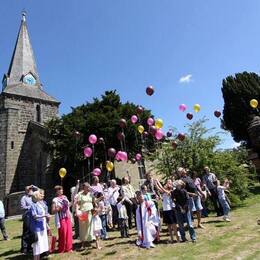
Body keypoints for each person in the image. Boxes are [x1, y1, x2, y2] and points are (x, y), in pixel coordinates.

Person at [155, 179, 179, 243]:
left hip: (170, 210)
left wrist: (158, 182)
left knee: (174, 225)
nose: (167, 183)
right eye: (167, 182)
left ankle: (177, 238)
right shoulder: (164, 191)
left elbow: (162, 189)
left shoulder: (171, 191)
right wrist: (155, 183)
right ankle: (172, 239)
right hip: (165, 210)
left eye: (169, 182)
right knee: (168, 225)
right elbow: (159, 188)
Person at [52, 186, 73, 253]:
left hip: (67, 217)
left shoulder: (65, 197)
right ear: (57, 191)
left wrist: (72, 202)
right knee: (63, 233)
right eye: (60, 190)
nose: (62, 191)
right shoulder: (55, 200)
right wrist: (58, 208)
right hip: (61, 218)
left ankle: (69, 248)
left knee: (69, 233)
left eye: (62, 189)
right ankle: (61, 248)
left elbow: (68, 205)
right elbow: (53, 211)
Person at [30, 190, 49, 260]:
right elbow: (34, 216)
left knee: (41, 245)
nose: (41, 195)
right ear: (36, 196)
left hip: (42, 227)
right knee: (37, 246)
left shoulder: (39, 204)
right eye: (39, 194)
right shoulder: (33, 205)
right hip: (37, 228)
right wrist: (44, 215)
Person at [76, 182, 95, 249]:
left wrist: (100, 198)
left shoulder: (90, 194)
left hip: (90, 212)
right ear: (84, 188)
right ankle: (83, 242)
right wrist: (77, 211)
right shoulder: (80, 194)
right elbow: (77, 204)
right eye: (87, 187)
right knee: (83, 227)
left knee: (89, 227)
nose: (89, 188)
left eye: (89, 187)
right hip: (83, 212)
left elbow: (94, 202)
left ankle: (89, 241)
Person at [20, 185, 36, 254]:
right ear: (26, 191)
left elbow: (40, 190)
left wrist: (34, 186)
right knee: (26, 233)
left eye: (31, 189)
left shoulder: (33, 197)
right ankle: (24, 248)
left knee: (31, 232)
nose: (30, 190)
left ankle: (29, 247)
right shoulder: (24, 198)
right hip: (27, 217)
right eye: (29, 189)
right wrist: (31, 206)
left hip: (33, 217)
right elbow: (22, 207)